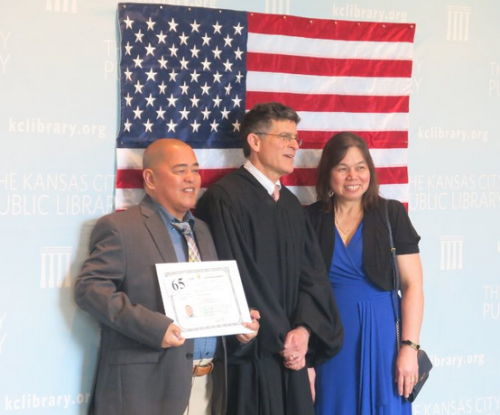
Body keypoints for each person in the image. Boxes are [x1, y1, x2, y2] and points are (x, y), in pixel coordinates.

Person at [75, 139, 259, 415]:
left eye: (195, 170)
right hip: (146, 392)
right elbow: (90, 290)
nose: (191, 179)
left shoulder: (204, 232)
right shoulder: (120, 227)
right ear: (149, 178)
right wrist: (154, 327)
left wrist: (239, 327)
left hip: (205, 388)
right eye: (180, 170)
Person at [195, 102, 343, 415]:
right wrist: (282, 339)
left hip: (293, 357)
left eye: (296, 139)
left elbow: (312, 277)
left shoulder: (290, 205)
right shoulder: (224, 198)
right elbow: (237, 276)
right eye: (285, 137)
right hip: (251, 356)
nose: (294, 145)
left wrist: (303, 332)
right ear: (255, 141)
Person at [305, 132, 424, 414]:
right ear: (328, 174)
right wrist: (307, 360)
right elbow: (301, 292)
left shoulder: (391, 213)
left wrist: (409, 348)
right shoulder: (309, 219)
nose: (353, 176)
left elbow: (413, 286)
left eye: (360, 167)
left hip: (384, 341)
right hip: (329, 342)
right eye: (342, 168)